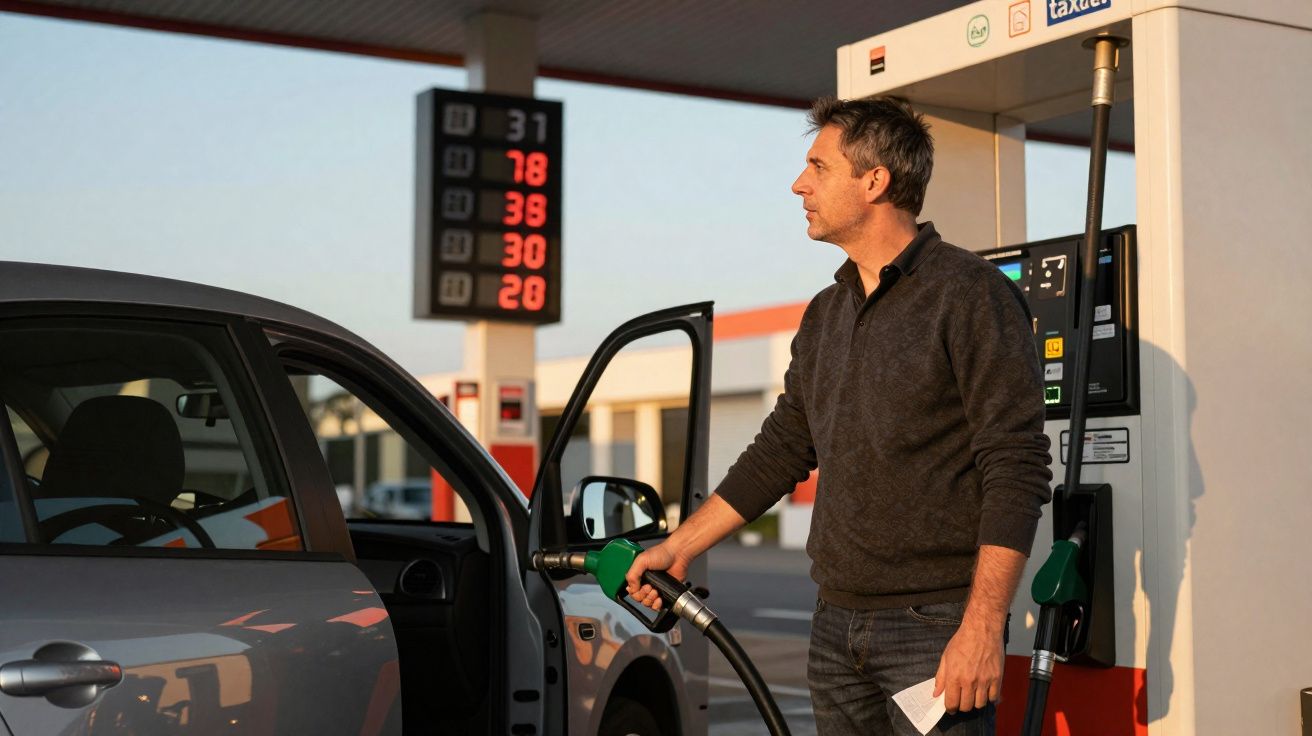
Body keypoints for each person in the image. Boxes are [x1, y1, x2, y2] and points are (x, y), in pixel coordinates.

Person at [625, 96, 1053, 735]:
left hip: (934, 629)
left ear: (874, 181)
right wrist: (678, 548)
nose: (799, 184)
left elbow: (1015, 466)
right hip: (834, 626)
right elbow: (781, 449)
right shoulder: (826, 312)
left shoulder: (970, 295)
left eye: (818, 167)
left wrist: (983, 627)